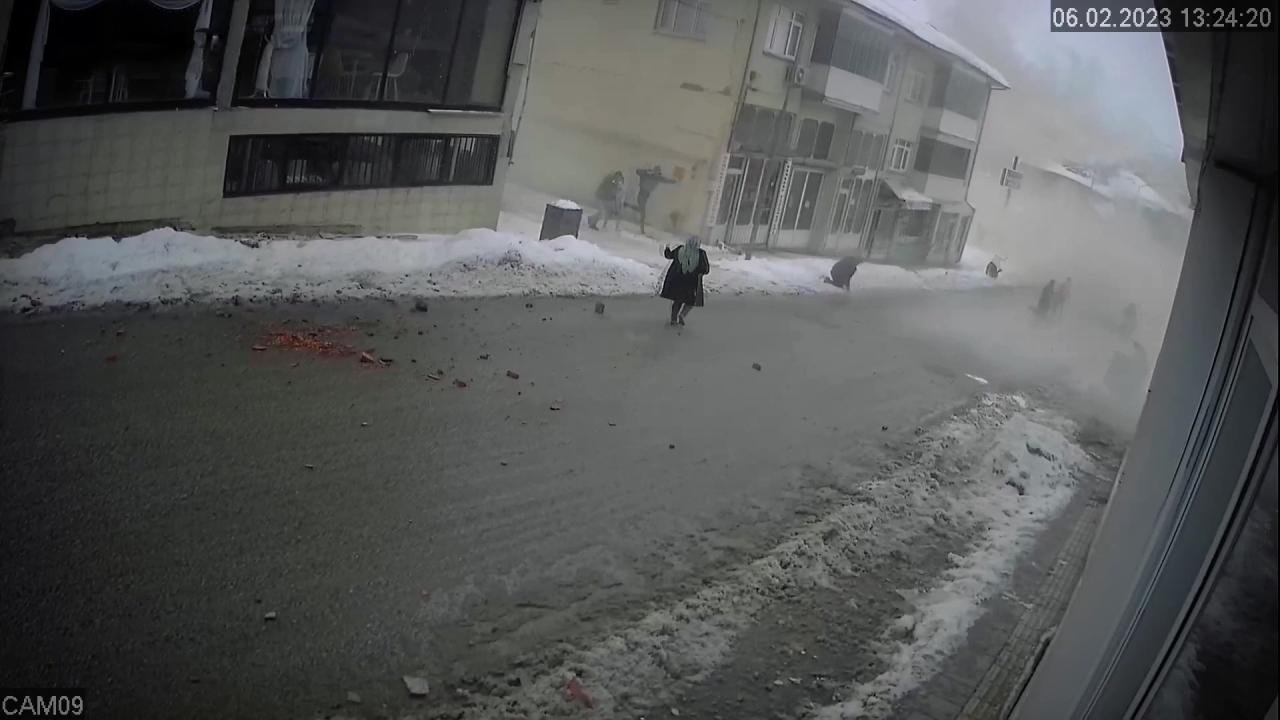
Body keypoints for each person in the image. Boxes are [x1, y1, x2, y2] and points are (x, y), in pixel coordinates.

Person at [660, 236, 710, 326]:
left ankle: (673, 319)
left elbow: (669, 255)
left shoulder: (680, 249)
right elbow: (706, 269)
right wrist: (698, 270)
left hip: (677, 280)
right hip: (691, 282)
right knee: (690, 301)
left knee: (677, 300)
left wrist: (667, 248)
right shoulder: (701, 253)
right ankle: (682, 315)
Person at [635, 165, 676, 234]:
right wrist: (647, 170)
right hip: (641, 194)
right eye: (655, 171)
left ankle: (628, 206)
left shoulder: (658, 178)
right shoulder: (647, 175)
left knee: (641, 209)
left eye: (658, 171)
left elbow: (666, 180)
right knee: (643, 213)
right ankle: (642, 230)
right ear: (653, 171)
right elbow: (637, 171)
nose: (656, 173)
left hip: (646, 195)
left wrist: (675, 181)